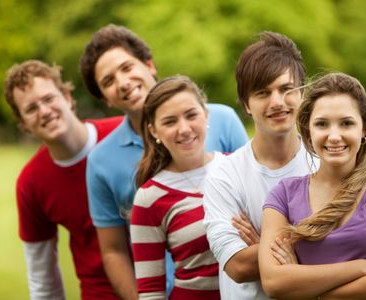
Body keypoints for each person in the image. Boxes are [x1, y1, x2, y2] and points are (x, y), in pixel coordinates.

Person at [79, 24, 248, 299]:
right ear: (104, 98)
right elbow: (113, 250)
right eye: (108, 81)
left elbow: (258, 196)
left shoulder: (223, 119)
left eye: (127, 67)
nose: (122, 83)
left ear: (149, 64)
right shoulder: (101, 161)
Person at [259, 72, 366, 299]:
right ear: (309, 132)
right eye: (322, 124)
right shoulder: (283, 195)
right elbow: (274, 282)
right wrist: (359, 267)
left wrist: (303, 284)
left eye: (346, 123)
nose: (334, 136)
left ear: (364, 130)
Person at [203, 31, 318, 299]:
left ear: (303, 93)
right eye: (263, 93)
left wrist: (263, 242)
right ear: (246, 104)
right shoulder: (224, 175)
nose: (277, 102)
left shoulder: (325, 163)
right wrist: (311, 242)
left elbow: (349, 247)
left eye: (286, 89)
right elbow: (238, 266)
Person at [4, 60, 122, 299]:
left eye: (49, 99)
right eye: (31, 109)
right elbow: (42, 278)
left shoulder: (122, 133)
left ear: (67, 97)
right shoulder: (31, 183)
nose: (44, 111)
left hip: (165, 285)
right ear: (23, 124)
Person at [130, 75, 222, 299]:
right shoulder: (148, 198)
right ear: (154, 131)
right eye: (170, 122)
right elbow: (151, 292)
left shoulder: (238, 166)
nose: (184, 129)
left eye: (191, 115)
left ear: (206, 115)